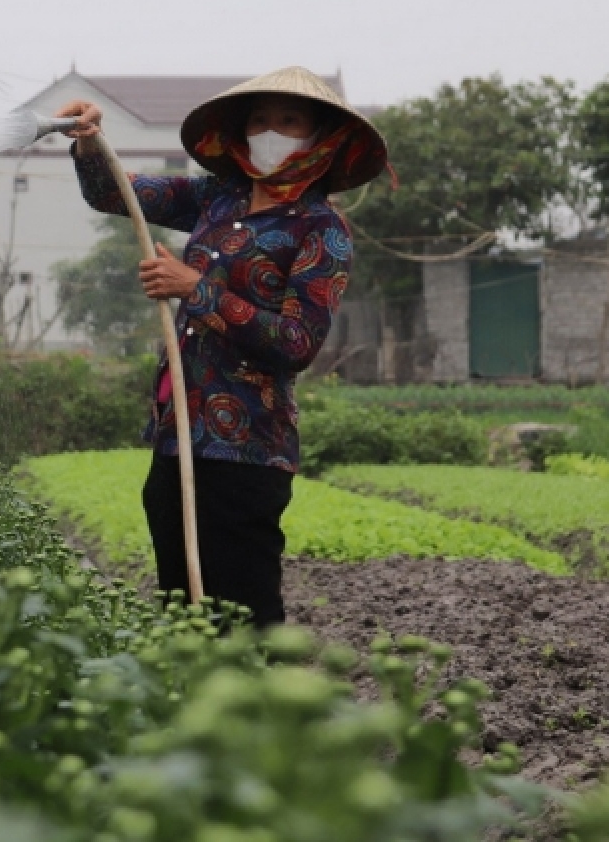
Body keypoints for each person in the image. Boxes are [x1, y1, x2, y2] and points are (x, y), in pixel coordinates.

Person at [59, 67, 389, 627]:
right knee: (180, 604)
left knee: (243, 608)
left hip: (249, 448)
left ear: (319, 138)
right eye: (260, 119)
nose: (270, 130)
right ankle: (190, 704)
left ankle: (258, 710)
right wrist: (89, 141)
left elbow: (298, 341)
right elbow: (116, 192)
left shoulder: (320, 228)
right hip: (179, 436)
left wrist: (198, 290)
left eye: (289, 121)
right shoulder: (218, 196)